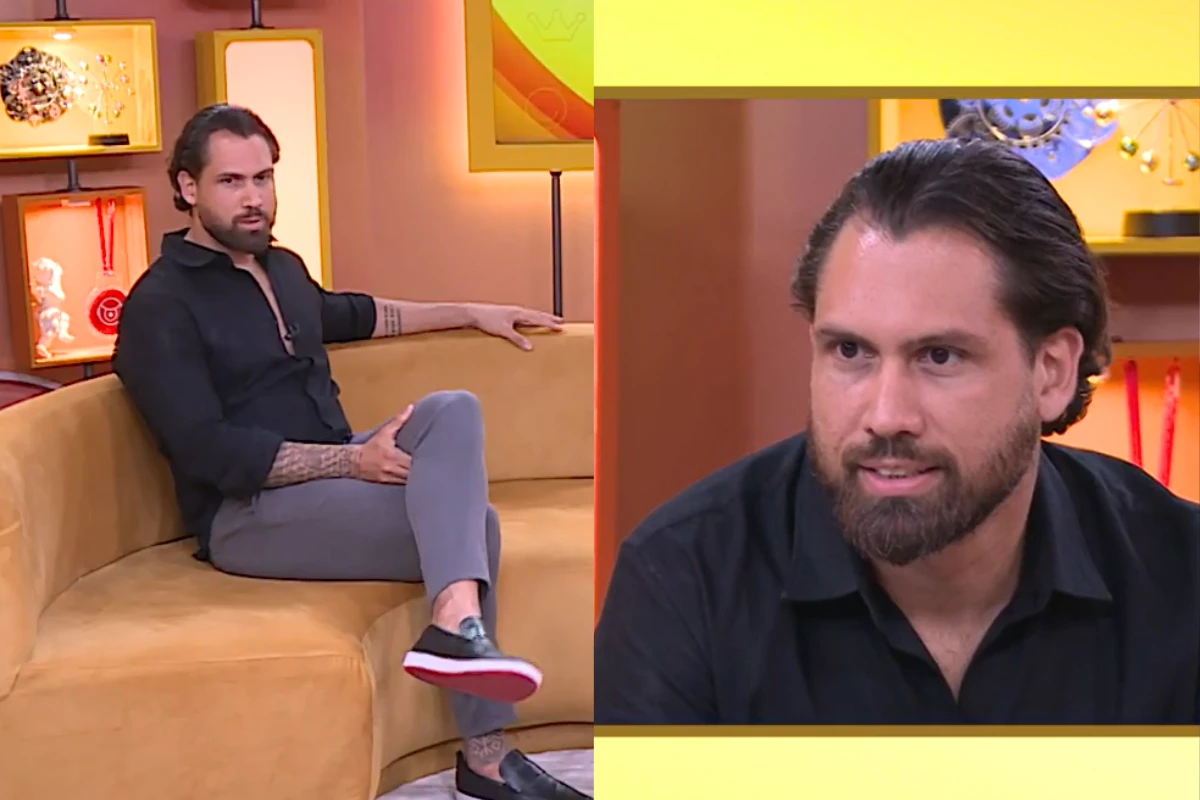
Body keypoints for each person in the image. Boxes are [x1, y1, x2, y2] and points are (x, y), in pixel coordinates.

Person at [594, 135, 1200, 724]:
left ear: (1051, 371)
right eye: (850, 351)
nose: (885, 416)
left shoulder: (1182, 578)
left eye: (939, 356)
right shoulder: (685, 579)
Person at [113, 104, 590, 800]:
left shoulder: (281, 268)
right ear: (187, 187)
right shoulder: (160, 305)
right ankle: (486, 754)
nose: (253, 198)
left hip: (332, 473)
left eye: (263, 178)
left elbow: (360, 314)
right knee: (477, 526)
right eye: (231, 182)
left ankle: (455, 625)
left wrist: (471, 311)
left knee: (452, 409)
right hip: (249, 513)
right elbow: (206, 451)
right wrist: (350, 463)